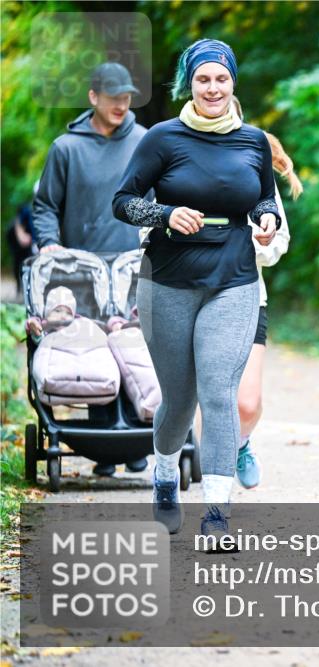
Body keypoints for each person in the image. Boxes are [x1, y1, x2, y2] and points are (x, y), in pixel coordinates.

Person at [112, 39, 280, 545]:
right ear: (191, 83)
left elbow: (264, 197)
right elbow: (122, 202)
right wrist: (164, 214)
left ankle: (217, 514)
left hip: (234, 280)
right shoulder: (163, 138)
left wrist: (267, 218)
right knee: (180, 401)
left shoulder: (253, 141)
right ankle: (165, 473)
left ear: (233, 83)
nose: (213, 88)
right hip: (168, 282)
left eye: (222, 79)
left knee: (219, 393)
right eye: (203, 79)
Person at [33, 62, 149, 477]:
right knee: (94, 353)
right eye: (113, 96)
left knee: (131, 352)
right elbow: (45, 205)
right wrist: (49, 244)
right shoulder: (66, 148)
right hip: (80, 272)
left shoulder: (143, 142)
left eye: (127, 97)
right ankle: (106, 449)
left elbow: (156, 197)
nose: (121, 104)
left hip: (133, 268)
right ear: (93, 97)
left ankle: (134, 443)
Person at [234, 130, 300, 490]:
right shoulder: (184, 163)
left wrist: (250, 246)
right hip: (192, 295)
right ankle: (209, 491)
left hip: (247, 296)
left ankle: (242, 444)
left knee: (247, 403)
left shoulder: (254, 171)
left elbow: (280, 240)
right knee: (200, 400)